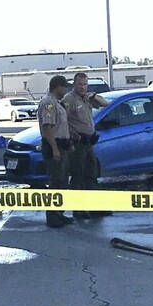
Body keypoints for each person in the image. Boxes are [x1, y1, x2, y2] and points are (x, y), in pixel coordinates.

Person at [61, 72, 111, 219]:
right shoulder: (69, 100)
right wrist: (71, 136)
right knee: (78, 176)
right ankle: (79, 209)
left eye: (85, 84)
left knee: (91, 175)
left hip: (89, 143)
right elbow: (62, 121)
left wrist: (93, 96)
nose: (82, 87)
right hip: (78, 144)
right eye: (79, 84)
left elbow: (105, 103)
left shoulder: (87, 98)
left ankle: (95, 207)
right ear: (74, 84)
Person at [38, 75, 74, 228]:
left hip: (62, 145)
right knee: (56, 182)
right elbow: (47, 128)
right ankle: (52, 216)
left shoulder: (56, 102)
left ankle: (59, 213)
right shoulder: (49, 103)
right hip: (54, 145)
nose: (66, 89)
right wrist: (55, 149)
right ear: (58, 86)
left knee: (62, 182)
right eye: (64, 86)